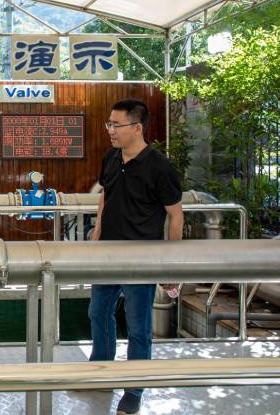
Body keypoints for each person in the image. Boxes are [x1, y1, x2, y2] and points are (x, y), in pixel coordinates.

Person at [89, 98, 183, 415]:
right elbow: (105, 194)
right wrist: (98, 229)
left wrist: (170, 262)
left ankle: (133, 390)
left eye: (116, 125)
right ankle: (101, 373)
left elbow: (175, 215)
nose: (110, 130)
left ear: (137, 128)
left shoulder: (160, 166)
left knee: (138, 328)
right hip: (107, 254)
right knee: (97, 313)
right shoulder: (111, 157)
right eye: (109, 124)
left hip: (141, 258)